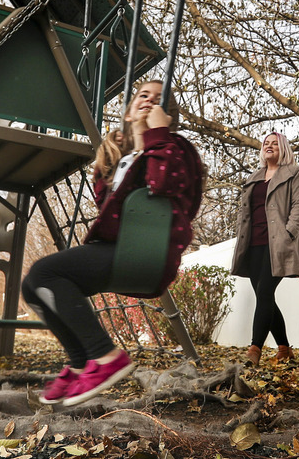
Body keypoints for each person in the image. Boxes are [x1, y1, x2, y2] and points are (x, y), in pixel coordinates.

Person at [22, 80, 204, 407]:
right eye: (142, 95)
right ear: (130, 109)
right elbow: (107, 208)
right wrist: (104, 167)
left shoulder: (175, 146)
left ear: (168, 114)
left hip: (145, 252)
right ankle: (81, 365)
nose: (148, 101)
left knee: (44, 274)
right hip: (118, 249)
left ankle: (106, 357)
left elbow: (164, 185)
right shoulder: (129, 156)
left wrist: (158, 134)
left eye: (157, 99)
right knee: (32, 287)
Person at [230, 132, 299, 367]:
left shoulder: (294, 173)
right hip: (252, 243)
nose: (269, 146)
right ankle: (284, 349)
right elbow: (244, 212)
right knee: (266, 297)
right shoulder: (254, 177)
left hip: (277, 244)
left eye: (275, 143)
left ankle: (255, 349)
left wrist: (289, 232)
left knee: (264, 292)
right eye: (266, 143)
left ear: (283, 148)